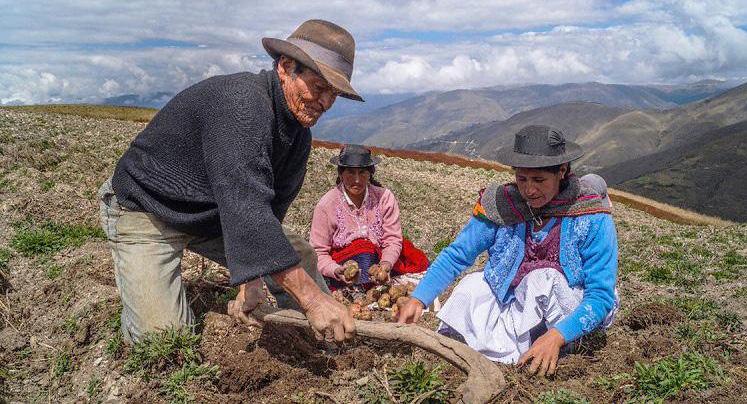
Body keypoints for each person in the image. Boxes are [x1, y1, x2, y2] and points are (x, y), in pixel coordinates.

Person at [98, 19, 362, 344]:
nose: (324, 103)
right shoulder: (241, 105)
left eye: (332, 94)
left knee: (298, 254)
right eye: (318, 88)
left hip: (214, 214)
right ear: (285, 67)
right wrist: (313, 300)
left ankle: (320, 341)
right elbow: (247, 214)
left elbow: (267, 214)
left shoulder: (297, 138)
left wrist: (250, 278)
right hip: (146, 209)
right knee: (164, 340)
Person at [395, 125, 619, 377]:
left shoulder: (590, 214)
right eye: (521, 179)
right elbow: (458, 254)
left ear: (562, 171)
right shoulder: (503, 205)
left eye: (539, 180)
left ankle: (560, 348)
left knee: (542, 278)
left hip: (569, 310)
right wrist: (419, 298)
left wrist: (558, 336)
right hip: (516, 301)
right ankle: (508, 348)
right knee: (473, 285)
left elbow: (600, 296)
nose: (529, 190)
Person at [310, 145, 429, 290]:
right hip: (343, 265)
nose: (357, 180)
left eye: (362, 172)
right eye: (350, 173)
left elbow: (392, 239)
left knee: (414, 258)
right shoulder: (326, 206)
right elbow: (318, 253)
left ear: (370, 174)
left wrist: (385, 265)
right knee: (364, 250)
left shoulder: (384, 198)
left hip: (380, 259)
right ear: (340, 174)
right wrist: (336, 270)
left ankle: (371, 283)